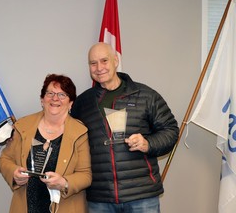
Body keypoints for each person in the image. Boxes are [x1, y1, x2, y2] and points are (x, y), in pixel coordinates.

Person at [71, 42, 179, 213]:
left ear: (116, 60)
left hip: (142, 196)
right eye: (93, 63)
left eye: (104, 60)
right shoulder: (83, 103)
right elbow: (70, 141)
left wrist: (148, 143)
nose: (99, 68)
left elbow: (171, 130)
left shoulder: (146, 96)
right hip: (100, 199)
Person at [0, 74, 92, 213]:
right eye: (50, 93)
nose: (55, 98)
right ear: (42, 99)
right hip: (26, 208)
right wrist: (14, 173)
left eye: (62, 94)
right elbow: (5, 159)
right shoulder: (23, 126)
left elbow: (85, 175)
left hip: (66, 208)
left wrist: (64, 182)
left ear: (71, 103)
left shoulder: (80, 132)